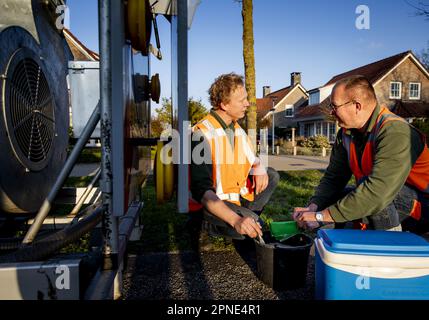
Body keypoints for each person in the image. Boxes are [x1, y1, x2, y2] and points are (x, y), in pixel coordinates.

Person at [293, 75, 429, 233]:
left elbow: (378, 193)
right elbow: (334, 178)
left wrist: (321, 217)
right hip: (387, 199)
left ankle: (389, 248)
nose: (331, 111)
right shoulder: (346, 134)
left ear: (357, 106)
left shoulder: (396, 131)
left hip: (422, 207)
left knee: (372, 195)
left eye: (334, 106)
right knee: (337, 198)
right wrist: (313, 208)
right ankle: (340, 247)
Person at [189, 73, 279, 240]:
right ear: (224, 104)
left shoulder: (235, 128)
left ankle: (250, 220)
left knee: (271, 174)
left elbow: (250, 155)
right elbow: (202, 192)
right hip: (211, 207)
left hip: (236, 199)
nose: (248, 104)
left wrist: (258, 166)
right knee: (258, 228)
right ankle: (216, 227)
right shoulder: (201, 135)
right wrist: (236, 220)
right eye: (241, 100)